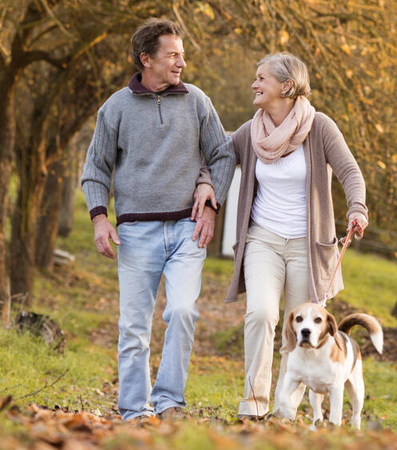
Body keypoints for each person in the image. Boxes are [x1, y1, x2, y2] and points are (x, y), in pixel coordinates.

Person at [80, 18, 235, 422]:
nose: (181, 62)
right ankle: (135, 410)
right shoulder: (114, 108)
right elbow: (95, 168)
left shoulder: (198, 101)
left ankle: (169, 402)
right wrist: (100, 219)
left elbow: (223, 154)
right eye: (173, 55)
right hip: (135, 233)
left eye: (182, 55)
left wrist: (212, 197)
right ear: (146, 59)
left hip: (188, 228)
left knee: (183, 311)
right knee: (133, 327)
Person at [214, 52, 368, 420]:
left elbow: (350, 171)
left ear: (286, 86)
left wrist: (357, 207)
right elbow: (218, 157)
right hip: (262, 238)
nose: (254, 84)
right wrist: (206, 189)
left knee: (298, 333)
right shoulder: (250, 132)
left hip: (308, 246)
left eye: (261, 78)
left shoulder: (320, 128)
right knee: (261, 314)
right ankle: (254, 403)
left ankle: (285, 409)